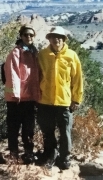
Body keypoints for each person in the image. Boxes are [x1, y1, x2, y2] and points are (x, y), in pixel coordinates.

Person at [36, 27, 83, 170]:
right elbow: (37, 77)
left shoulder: (72, 55)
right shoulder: (42, 55)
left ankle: (64, 158)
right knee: (48, 131)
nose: (57, 39)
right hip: (45, 101)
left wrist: (76, 99)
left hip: (64, 101)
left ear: (64, 39)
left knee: (65, 132)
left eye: (60, 37)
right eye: (54, 36)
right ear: (49, 38)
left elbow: (77, 79)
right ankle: (51, 155)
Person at [4, 24, 41, 163]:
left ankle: (28, 153)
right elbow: (12, 73)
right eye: (26, 34)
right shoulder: (16, 52)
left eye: (31, 35)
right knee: (13, 128)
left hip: (30, 98)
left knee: (29, 129)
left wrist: (37, 96)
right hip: (16, 100)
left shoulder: (34, 53)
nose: (29, 37)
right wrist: (15, 94)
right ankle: (14, 154)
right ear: (21, 36)